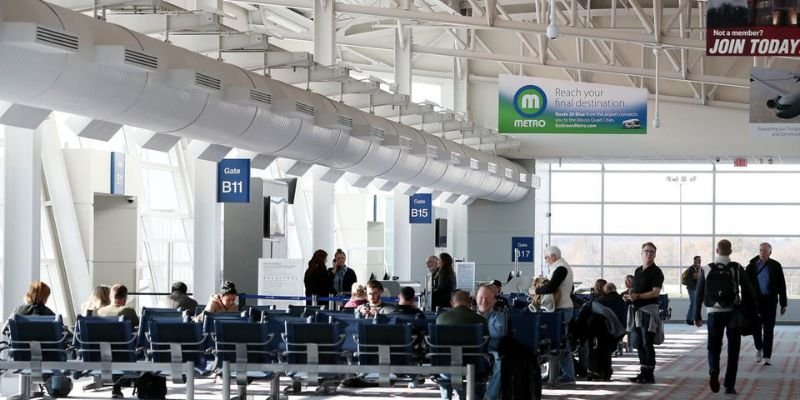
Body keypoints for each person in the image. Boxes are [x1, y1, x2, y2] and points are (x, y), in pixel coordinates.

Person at [694, 239, 757, 394]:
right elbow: (749, 290)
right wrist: (751, 310)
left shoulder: (707, 268)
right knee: (733, 350)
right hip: (733, 313)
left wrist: (696, 315)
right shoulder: (736, 267)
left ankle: (714, 370)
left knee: (713, 346)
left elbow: (699, 293)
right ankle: (729, 385)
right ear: (730, 251)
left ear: (717, 251)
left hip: (713, 314)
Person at [533, 246, 576, 385]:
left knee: (560, 342)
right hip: (561, 308)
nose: (546, 261)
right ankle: (556, 374)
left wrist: (536, 290)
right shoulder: (560, 267)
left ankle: (568, 375)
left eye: (546, 258)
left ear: (552, 256)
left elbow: (551, 287)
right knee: (557, 342)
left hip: (562, 309)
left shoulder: (561, 268)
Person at [435, 290, 488, 400]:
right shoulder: (480, 320)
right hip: (474, 368)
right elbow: (486, 344)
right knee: (481, 376)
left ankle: (446, 397)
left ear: (451, 303)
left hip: (446, 367)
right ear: (470, 303)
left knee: (445, 374)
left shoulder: (441, 318)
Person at [624, 242, 664, 384]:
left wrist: (638, 296)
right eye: (646, 251)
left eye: (652, 252)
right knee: (637, 342)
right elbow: (635, 290)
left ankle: (649, 373)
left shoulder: (656, 272)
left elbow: (655, 292)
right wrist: (630, 294)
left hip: (648, 310)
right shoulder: (638, 271)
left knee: (647, 342)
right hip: (636, 310)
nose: (649, 254)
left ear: (655, 255)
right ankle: (643, 371)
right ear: (641, 254)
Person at [746, 242, 787, 366]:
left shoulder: (775, 266)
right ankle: (759, 348)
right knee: (756, 327)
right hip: (755, 302)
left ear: (770, 252)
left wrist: (783, 303)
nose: (762, 253)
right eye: (760, 250)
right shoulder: (751, 266)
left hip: (770, 302)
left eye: (765, 251)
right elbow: (745, 286)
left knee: (769, 329)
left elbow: (782, 285)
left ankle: (767, 355)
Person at [476, 285, 507, 400]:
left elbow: (498, 332)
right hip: (473, 352)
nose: (484, 301)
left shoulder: (499, 316)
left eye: (488, 298)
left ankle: (490, 397)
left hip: (493, 352)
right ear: (475, 298)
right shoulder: (470, 315)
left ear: (494, 301)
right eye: (481, 297)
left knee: (502, 363)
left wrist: (477, 329)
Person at [682, 256, 703, 325]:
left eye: (700, 260)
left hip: (696, 289)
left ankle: (692, 319)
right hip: (691, 288)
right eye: (698, 260)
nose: (700, 261)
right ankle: (689, 319)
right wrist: (699, 268)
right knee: (693, 303)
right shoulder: (692, 269)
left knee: (695, 304)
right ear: (694, 261)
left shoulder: (699, 268)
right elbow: (697, 276)